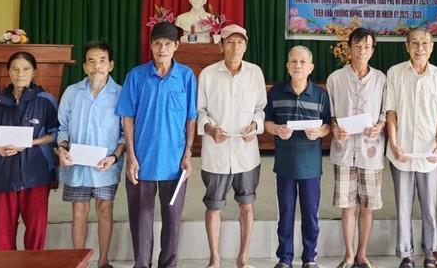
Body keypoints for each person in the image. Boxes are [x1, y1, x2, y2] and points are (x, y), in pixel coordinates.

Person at [116, 22, 196, 268]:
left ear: (176, 46)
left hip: (175, 161)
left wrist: (188, 153)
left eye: (168, 44)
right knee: (141, 218)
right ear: (150, 46)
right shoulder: (136, 76)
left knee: (172, 218)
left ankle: (168, 265)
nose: (163, 49)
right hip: (142, 160)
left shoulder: (186, 76)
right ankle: (142, 264)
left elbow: (191, 117)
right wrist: (131, 157)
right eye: (158, 43)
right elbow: (127, 117)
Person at [197, 24, 267, 268]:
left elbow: (260, 108)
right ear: (221, 46)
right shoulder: (208, 74)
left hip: (246, 154)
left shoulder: (255, 73)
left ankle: (243, 259)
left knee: (246, 205)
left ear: (245, 47)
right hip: (215, 154)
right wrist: (210, 129)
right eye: (230, 42)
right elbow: (200, 111)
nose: (235, 48)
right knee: (213, 207)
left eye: (240, 43)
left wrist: (255, 125)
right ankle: (214, 259)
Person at [0, 51, 58, 250]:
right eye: (15, 69)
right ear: (9, 72)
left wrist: (31, 142)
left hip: (37, 172)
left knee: (36, 228)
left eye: (25, 69)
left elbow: (55, 133)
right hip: (4, 172)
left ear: (34, 72)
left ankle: (34, 263)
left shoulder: (46, 101)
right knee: (3, 230)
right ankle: (5, 263)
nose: (20, 74)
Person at [386, 27, 437, 268]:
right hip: (401, 151)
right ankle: (406, 255)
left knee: (429, 206)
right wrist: (394, 144)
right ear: (407, 46)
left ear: (432, 47)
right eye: (414, 43)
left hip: (429, 152)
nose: (419, 48)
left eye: (424, 43)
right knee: (403, 206)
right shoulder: (395, 73)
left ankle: (431, 253)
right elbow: (391, 113)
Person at [57, 41, 125, 268]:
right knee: (79, 211)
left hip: (106, 166)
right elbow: (62, 127)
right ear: (85, 66)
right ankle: (80, 262)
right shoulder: (72, 92)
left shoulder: (121, 94)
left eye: (102, 61)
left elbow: (125, 134)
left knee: (105, 209)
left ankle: (103, 261)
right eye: (92, 61)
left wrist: (114, 157)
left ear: (111, 65)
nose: (97, 66)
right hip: (76, 165)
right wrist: (62, 149)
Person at [265, 46, 331, 268]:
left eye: (303, 62)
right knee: (285, 213)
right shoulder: (276, 92)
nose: (298, 65)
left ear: (311, 67)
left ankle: (310, 258)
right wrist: (277, 130)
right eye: (293, 61)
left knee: (310, 214)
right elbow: (267, 122)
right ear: (287, 66)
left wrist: (319, 132)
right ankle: (284, 259)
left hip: (310, 166)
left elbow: (328, 125)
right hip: (285, 165)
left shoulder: (321, 95)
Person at [327, 27, 387, 268]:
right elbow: (330, 114)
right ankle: (349, 255)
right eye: (357, 46)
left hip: (370, 151)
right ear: (349, 48)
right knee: (347, 206)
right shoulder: (335, 78)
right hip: (344, 150)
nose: (362, 51)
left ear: (373, 50)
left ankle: (362, 255)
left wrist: (379, 126)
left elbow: (385, 113)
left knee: (367, 206)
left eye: (367, 47)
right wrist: (334, 128)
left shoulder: (381, 79)